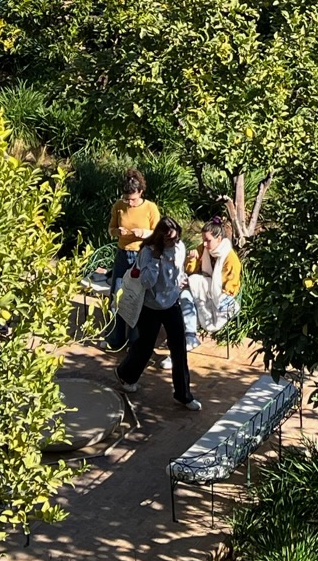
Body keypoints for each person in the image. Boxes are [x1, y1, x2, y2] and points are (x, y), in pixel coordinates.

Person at [115, 217, 201, 410]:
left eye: (176, 238)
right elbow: (147, 282)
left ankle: (183, 395)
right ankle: (125, 374)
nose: (173, 242)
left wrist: (181, 281)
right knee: (145, 347)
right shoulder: (147, 252)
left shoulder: (179, 247)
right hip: (150, 307)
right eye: (169, 239)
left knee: (179, 349)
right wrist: (155, 259)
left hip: (171, 303)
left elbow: (178, 270)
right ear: (160, 238)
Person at [103, 168, 159, 350]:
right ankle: (115, 338)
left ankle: (135, 342)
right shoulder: (119, 206)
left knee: (137, 299)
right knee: (116, 297)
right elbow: (111, 229)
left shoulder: (150, 208)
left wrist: (144, 233)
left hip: (141, 257)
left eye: (133, 199)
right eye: (127, 199)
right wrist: (117, 232)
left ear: (141, 192)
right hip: (122, 255)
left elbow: (158, 234)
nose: (130, 203)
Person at [185, 215, 242, 343]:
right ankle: (189, 334)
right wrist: (192, 259)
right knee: (184, 295)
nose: (205, 244)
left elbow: (228, 287)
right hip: (205, 289)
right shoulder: (204, 249)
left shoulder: (230, 259)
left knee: (193, 282)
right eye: (203, 240)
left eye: (208, 240)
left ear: (219, 239)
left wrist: (206, 286)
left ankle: (191, 330)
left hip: (221, 294)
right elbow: (190, 271)